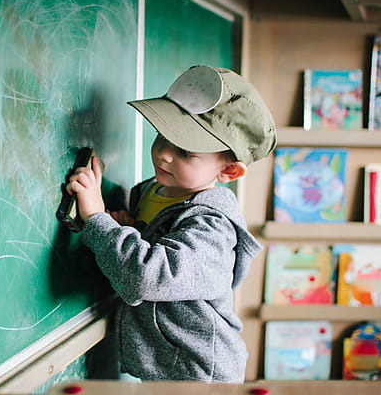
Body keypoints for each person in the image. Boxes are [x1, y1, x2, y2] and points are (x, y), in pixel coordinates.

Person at [66, 65, 277, 382]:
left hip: (200, 379)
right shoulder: (156, 191)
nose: (164, 153)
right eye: (163, 135)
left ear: (228, 172)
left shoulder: (213, 227)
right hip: (169, 370)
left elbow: (145, 278)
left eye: (186, 150)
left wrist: (97, 220)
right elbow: (157, 244)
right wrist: (130, 228)